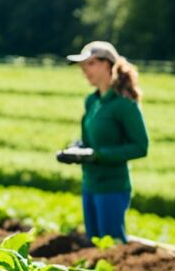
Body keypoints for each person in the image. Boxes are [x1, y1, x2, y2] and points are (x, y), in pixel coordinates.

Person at [57, 41, 148, 242]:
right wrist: (78, 148)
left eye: (89, 64)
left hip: (112, 186)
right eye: (82, 66)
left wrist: (98, 155)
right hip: (90, 183)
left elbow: (141, 147)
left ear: (107, 65)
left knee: (111, 245)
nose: (84, 70)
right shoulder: (92, 101)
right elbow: (90, 140)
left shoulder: (124, 104)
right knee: (93, 243)